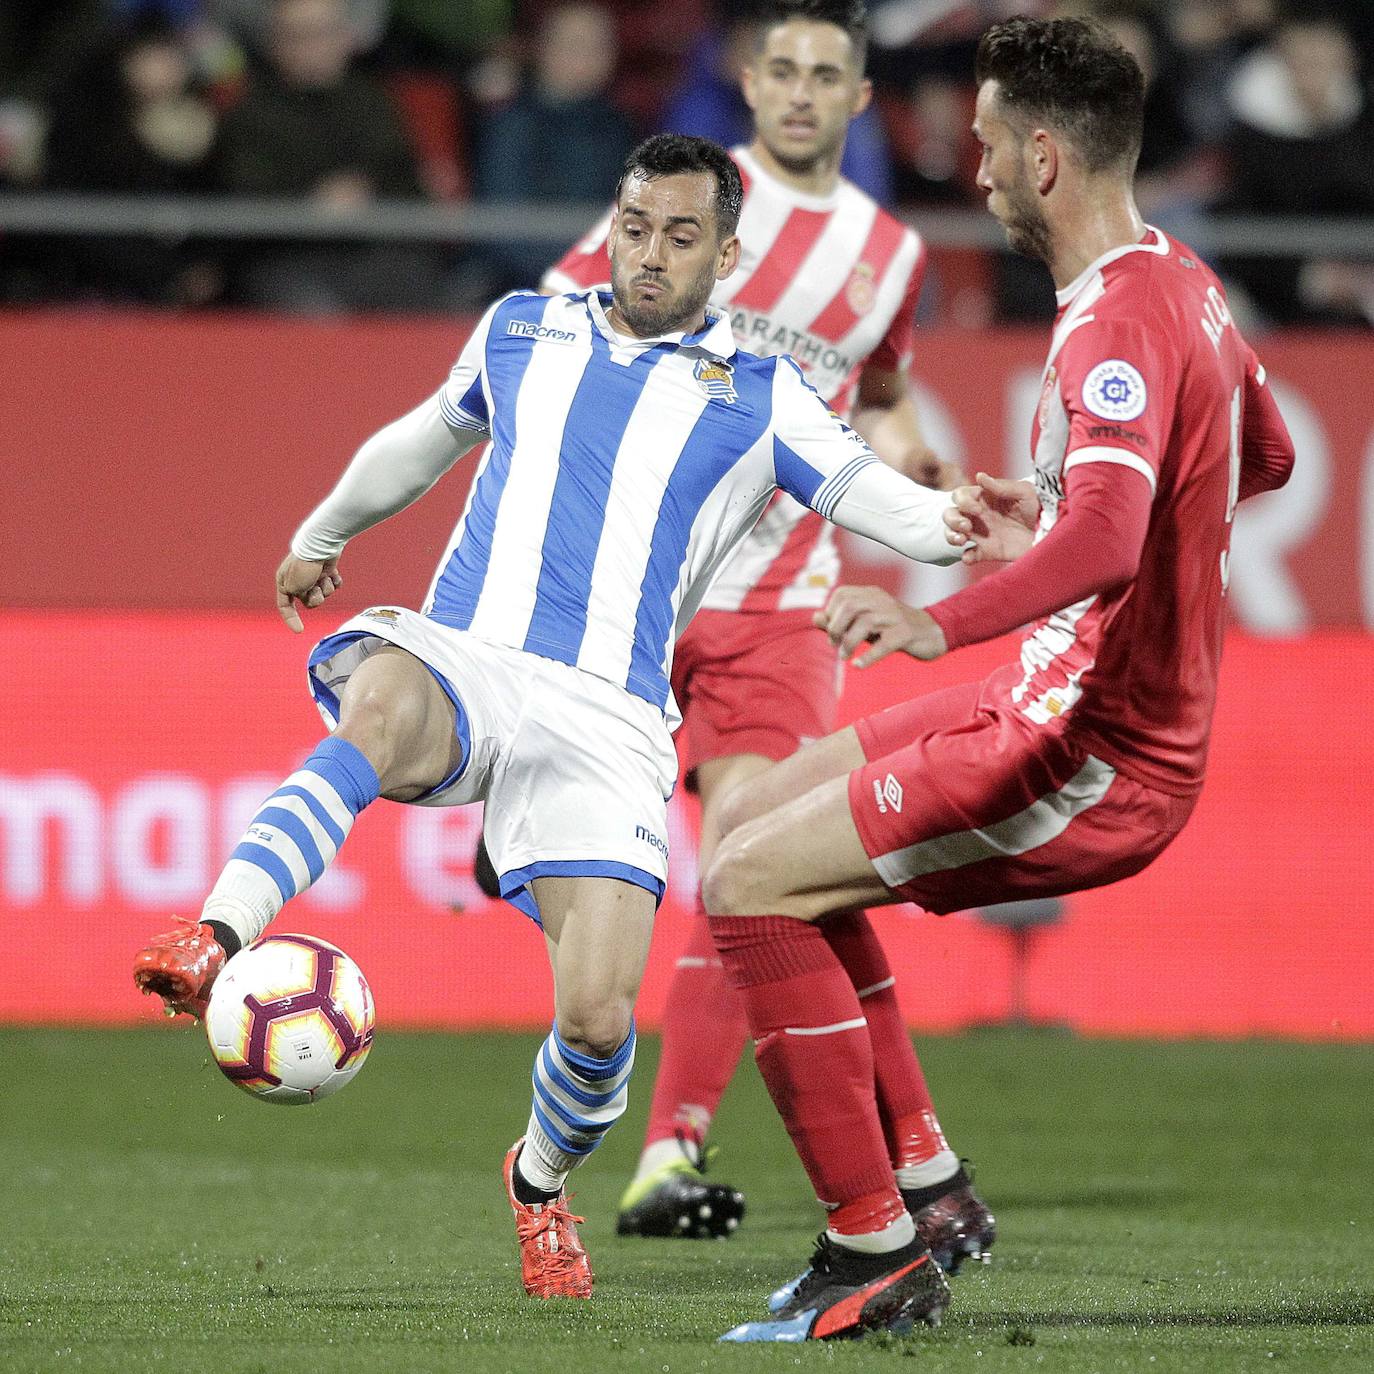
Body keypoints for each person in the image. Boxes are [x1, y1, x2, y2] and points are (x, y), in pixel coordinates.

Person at [132, 133, 966, 1322]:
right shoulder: (526, 327)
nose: (649, 253)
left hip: (612, 715)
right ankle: (219, 933)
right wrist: (323, 530)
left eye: (681, 236)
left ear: (728, 254)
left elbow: (898, 514)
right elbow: (424, 438)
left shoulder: (767, 393)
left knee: (595, 1017)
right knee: (376, 703)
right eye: (635, 225)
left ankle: (537, 1183)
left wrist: (980, 519)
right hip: (468, 654)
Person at [703, 15, 1295, 1343]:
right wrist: (1064, 527)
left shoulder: (1115, 326)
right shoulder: (1184, 283)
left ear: (1040, 157)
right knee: (755, 826)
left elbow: (1111, 533)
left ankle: (875, 1253)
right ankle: (927, 1184)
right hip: (1048, 687)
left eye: (978, 149)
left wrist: (948, 615)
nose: (964, 171)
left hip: (1091, 750)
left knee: (742, 888)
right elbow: (1259, 458)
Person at [489, 0, 994, 1264]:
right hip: (635, 607)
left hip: (779, 609)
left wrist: (913, 461)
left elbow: (868, 402)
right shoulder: (680, 211)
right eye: (784, 70)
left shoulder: (887, 251)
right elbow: (551, 338)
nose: (805, 92)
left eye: (830, 73)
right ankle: (921, 1160)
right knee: (739, 884)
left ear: (861, 95)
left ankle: (673, 1150)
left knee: (751, 866)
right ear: (748, 82)